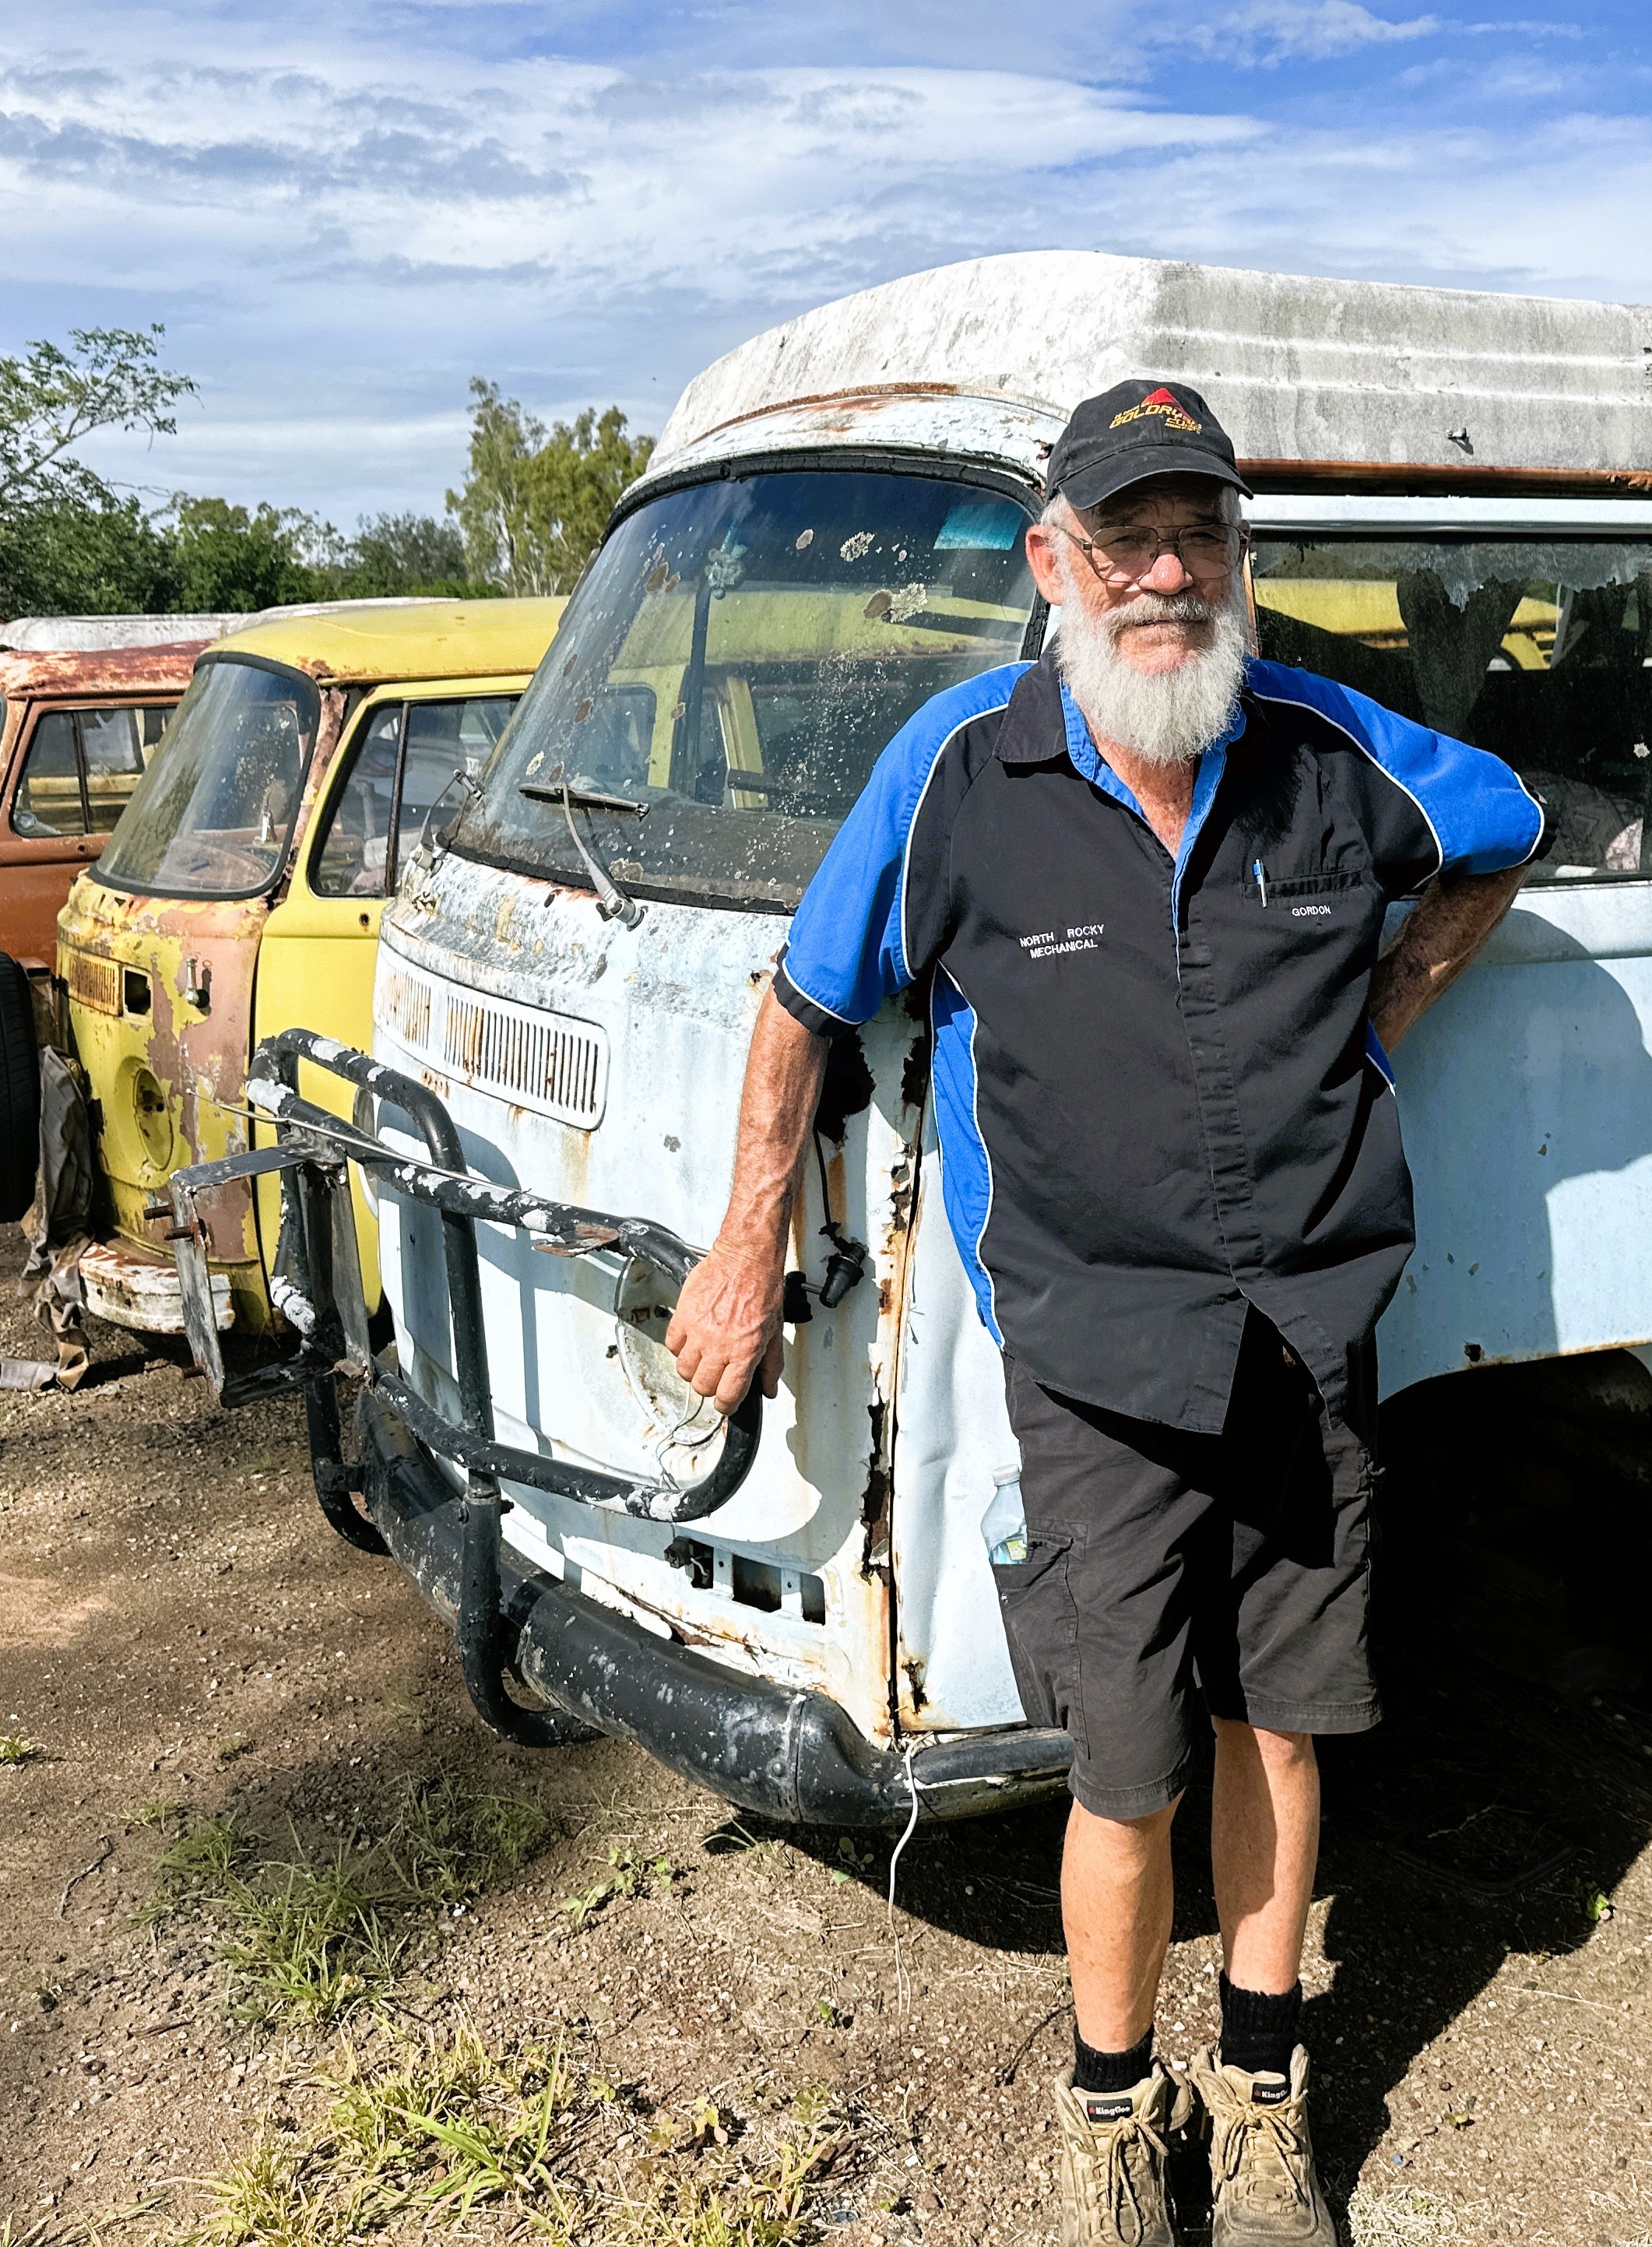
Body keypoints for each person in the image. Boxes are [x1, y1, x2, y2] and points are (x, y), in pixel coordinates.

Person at [664, 379, 1542, 2246]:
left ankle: (1267, 2098)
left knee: (1283, 1731)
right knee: (1125, 1761)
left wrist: (1390, 1015)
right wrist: (743, 1246)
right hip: (1093, 1356)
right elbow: (804, 1001)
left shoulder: (1327, 748)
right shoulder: (961, 769)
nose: (1164, 572)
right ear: (1054, 561)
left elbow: (1501, 829)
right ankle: (1111, 2117)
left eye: (1198, 535)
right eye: (1125, 537)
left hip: (1306, 1327)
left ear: (1239, 558)